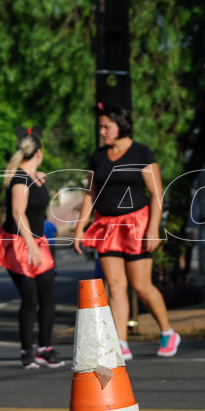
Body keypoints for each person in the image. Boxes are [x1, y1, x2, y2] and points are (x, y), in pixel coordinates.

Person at [73, 102, 180, 359]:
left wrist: (153, 228)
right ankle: (120, 342)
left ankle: (167, 332)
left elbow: (156, 193)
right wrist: (80, 228)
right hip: (107, 225)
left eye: (106, 126)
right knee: (115, 285)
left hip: (137, 225)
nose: (102, 131)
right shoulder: (98, 156)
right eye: (100, 127)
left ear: (121, 125)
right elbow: (91, 194)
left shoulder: (141, 153)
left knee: (142, 286)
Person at [0, 127, 63, 369]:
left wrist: (36, 243)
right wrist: (31, 245)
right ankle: (26, 350)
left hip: (37, 241)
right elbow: (17, 213)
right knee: (30, 298)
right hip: (20, 244)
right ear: (39, 153)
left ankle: (44, 347)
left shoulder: (37, 177)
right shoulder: (20, 180)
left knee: (49, 295)